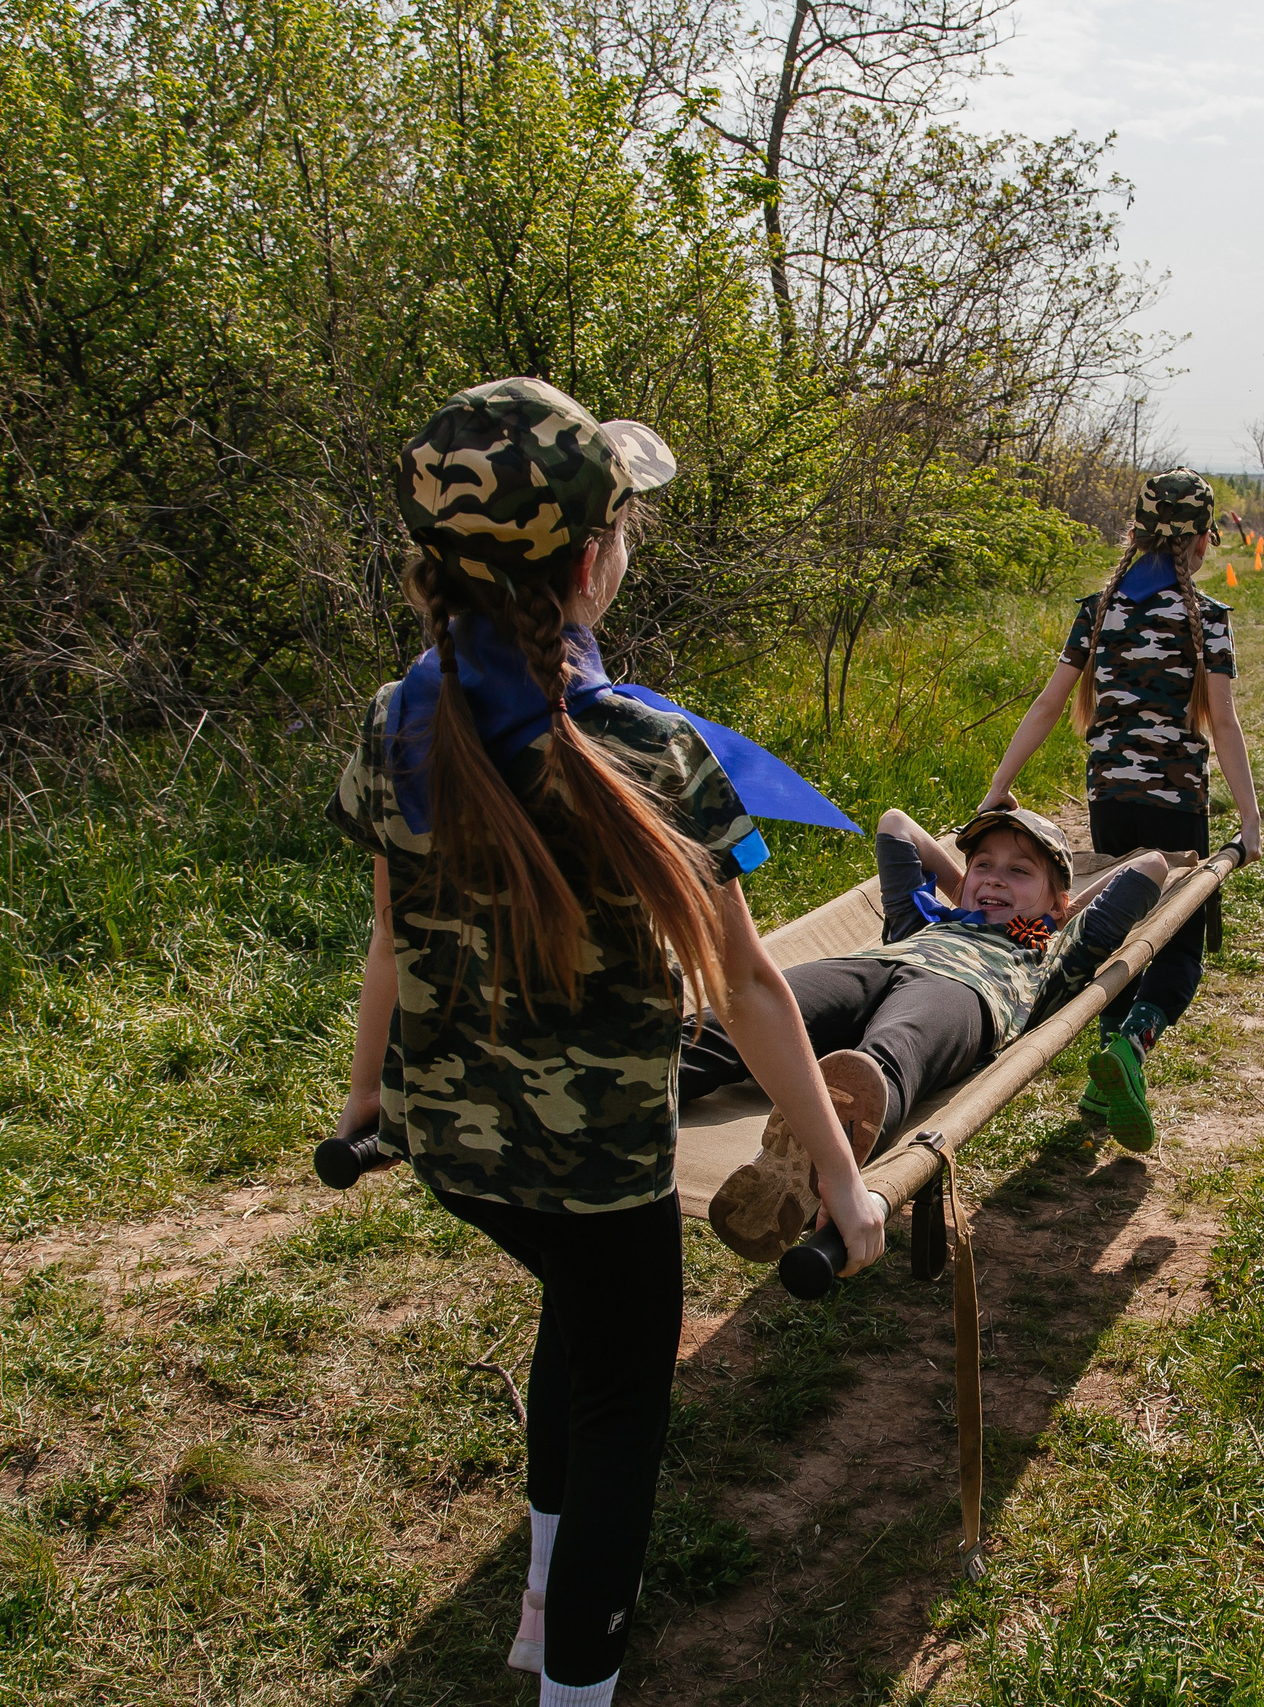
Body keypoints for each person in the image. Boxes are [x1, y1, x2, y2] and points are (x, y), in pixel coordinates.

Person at [327, 377, 882, 1707]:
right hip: (599, 1169)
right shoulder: (653, 744)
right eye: (625, 524)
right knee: (624, 1407)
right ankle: (575, 1683)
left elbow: (390, 940)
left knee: (578, 1319)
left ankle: (539, 1599)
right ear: (590, 563)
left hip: (457, 1152)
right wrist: (843, 1177)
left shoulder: (396, 716)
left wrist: (363, 1106)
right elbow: (748, 986)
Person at [691, 806, 1170, 1256]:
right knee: (739, 1014)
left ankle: (805, 1168)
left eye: (1019, 871)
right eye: (984, 865)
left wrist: (1066, 911)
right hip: (872, 966)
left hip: (968, 991)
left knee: (887, 1060)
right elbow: (895, 824)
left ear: (1058, 904)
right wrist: (967, 890)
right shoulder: (916, 917)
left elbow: (1150, 866)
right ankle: (657, 1077)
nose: (996, 877)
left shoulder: (1057, 952)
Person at [975, 469, 1263, 1151]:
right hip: (1177, 808)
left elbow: (1049, 704)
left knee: (1116, 937)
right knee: (1179, 950)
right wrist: (1250, 822)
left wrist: (997, 788)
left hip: (1109, 801)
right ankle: (1132, 1045)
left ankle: (1104, 1082)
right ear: (1201, 540)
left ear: (1136, 531)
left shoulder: (1097, 609)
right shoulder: (1209, 618)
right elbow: (1224, 725)